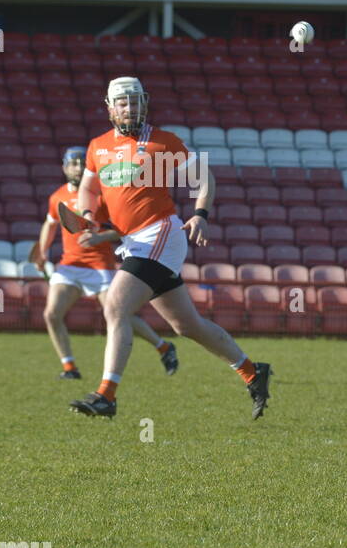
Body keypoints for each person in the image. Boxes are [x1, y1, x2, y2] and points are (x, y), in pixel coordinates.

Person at [68, 76, 271, 419]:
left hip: (160, 234)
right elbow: (87, 190)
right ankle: (253, 371)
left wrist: (201, 215)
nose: (129, 108)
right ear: (110, 108)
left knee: (116, 306)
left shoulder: (163, 143)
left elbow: (204, 178)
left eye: (135, 101)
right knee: (186, 326)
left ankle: (106, 396)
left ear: (144, 103)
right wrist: (87, 215)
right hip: (133, 242)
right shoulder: (97, 147)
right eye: (122, 102)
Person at [33, 147, 178, 380]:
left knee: (118, 314)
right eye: (74, 163)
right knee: (51, 314)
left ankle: (163, 346)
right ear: (64, 167)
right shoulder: (57, 196)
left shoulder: (102, 195)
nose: (79, 167)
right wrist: (42, 252)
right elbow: (49, 225)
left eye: (83, 163)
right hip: (69, 265)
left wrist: (101, 237)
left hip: (100, 265)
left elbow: (125, 229)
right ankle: (70, 367)